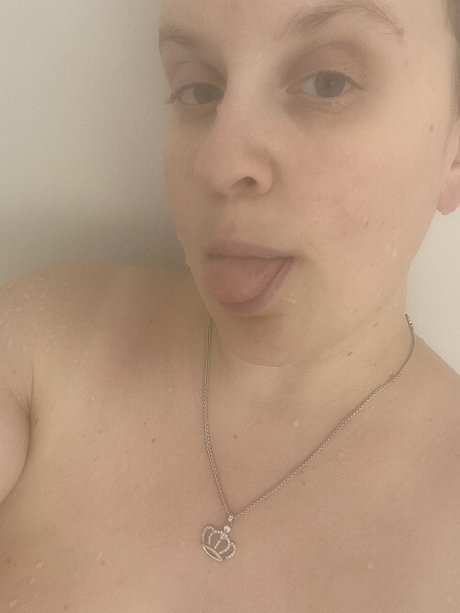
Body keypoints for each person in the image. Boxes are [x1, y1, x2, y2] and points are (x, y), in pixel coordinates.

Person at [1, 0, 459, 610]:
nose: (217, 163)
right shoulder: (39, 351)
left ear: (454, 148)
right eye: (198, 90)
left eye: (328, 82)